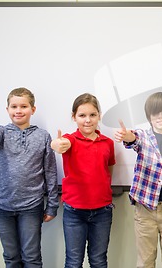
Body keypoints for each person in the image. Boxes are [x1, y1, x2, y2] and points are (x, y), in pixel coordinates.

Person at [0, 87, 59, 268]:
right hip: (4, 206)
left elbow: (50, 172)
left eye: (24, 106)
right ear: (7, 110)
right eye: (14, 106)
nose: (18, 110)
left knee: (32, 258)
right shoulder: (1, 133)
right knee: (11, 258)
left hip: (31, 207)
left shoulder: (43, 136)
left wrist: (52, 206)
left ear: (32, 110)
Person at [114, 92, 162, 268]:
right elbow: (132, 139)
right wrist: (128, 136)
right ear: (149, 116)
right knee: (145, 262)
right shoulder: (143, 137)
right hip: (145, 210)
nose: (160, 117)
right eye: (155, 113)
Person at [51, 93, 116, 268]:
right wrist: (57, 144)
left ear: (99, 116)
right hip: (74, 212)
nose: (88, 120)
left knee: (98, 260)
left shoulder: (107, 143)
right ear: (74, 117)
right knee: (73, 261)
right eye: (82, 115)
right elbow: (58, 144)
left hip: (102, 211)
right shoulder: (69, 140)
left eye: (92, 115)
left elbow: (108, 169)